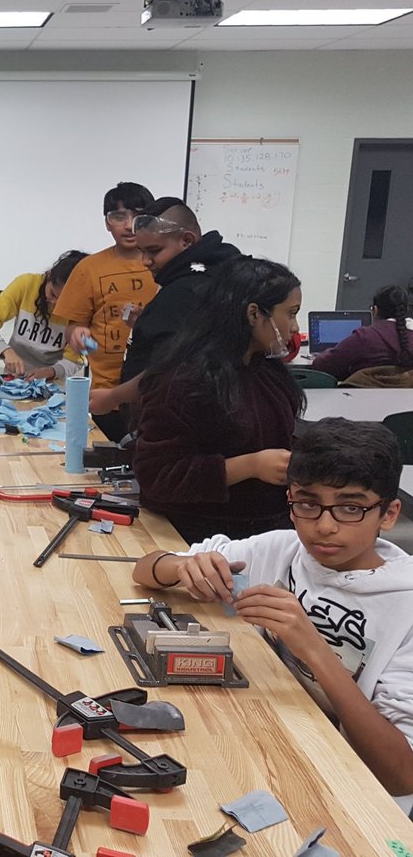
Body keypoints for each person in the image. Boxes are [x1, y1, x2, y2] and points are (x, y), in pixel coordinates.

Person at [132, 417, 413, 809]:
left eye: (351, 507)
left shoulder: (404, 606)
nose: (325, 526)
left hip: (349, 797)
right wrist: (180, 568)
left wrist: (314, 649)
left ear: (388, 513)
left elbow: (401, 775)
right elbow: (144, 569)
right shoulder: (281, 550)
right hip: (265, 749)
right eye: (308, 503)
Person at [133, 257, 305, 542]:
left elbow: (272, 435)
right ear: (253, 315)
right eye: (291, 313)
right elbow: (156, 476)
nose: (296, 327)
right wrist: (250, 466)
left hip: (267, 529)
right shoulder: (184, 382)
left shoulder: (267, 371)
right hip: (203, 536)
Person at [89, 197, 245, 418]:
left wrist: (113, 396)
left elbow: (168, 371)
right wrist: (150, 322)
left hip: (178, 417)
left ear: (187, 241)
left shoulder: (183, 291)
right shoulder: (217, 270)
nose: (145, 261)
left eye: (153, 251)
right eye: (142, 251)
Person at [53, 182, 158, 443]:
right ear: (107, 223)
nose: (128, 224)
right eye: (118, 217)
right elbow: (73, 327)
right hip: (107, 396)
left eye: (138, 216)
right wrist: (77, 335)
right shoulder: (88, 269)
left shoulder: (166, 265)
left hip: (159, 391)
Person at [0, 250, 87, 380]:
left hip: (54, 384)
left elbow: (75, 361)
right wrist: (5, 351)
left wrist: (50, 372)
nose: (55, 304)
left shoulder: (82, 310)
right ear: (48, 277)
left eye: (65, 302)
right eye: (52, 294)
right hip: (15, 379)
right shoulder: (26, 285)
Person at [312, 284, 413, 385]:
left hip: (362, 398)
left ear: (375, 310)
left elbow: (322, 365)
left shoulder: (365, 337)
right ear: (406, 310)